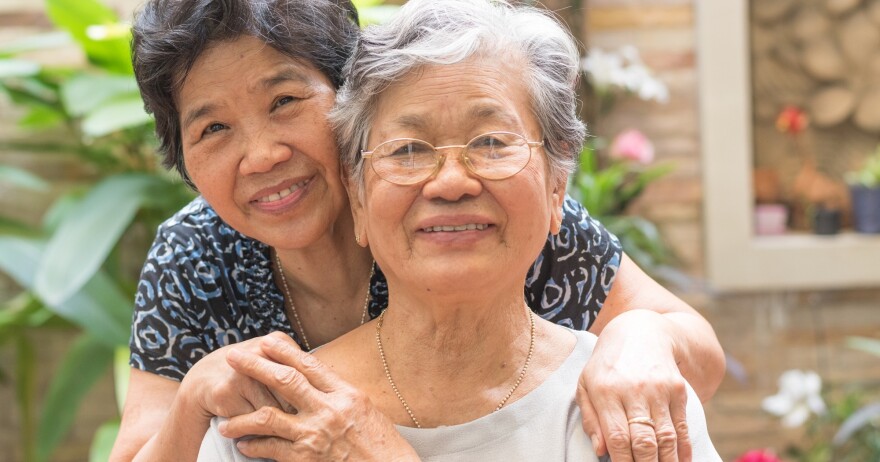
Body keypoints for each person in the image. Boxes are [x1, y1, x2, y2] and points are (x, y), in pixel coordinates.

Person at [111, 0, 725, 461]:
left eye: (285, 101)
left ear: (348, 99)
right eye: (213, 129)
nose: (262, 155)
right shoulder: (194, 255)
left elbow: (695, 351)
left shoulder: (496, 215)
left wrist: (639, 335)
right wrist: (194, 398)